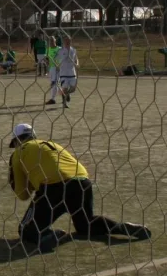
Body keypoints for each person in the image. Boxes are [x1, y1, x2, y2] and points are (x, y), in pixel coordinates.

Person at [8, 123, 151, 253]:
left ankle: (48, 235)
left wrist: (32, 184)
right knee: (85, 225)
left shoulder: (18, 153)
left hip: (54, 187)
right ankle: (120, 227)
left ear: (16, 140)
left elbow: (22, 194)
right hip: (82, 181)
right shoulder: (51, 144)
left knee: (26, 230)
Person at [56, 36, 78, 108]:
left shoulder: (73, 50)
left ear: (70, 41)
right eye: (66, 40)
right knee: (64, 88)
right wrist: (56, 65)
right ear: (64, 42)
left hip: (72, 72)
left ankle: (67, 94)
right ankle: (64, 103)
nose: (67, 42)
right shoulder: (60, 51)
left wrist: (77, 64)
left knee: (73, 88)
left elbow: (76, 59)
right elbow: (54, 58)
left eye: (68, 40)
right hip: (63, 73)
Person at [45, 36, 61, 105]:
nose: (51, 42)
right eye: (50, 40)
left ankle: (52, 99)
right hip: (51, 68)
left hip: (57, 68)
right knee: (54, 84)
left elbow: (63, 58)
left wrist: (59, 65)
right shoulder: (48, 49)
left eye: (52, 40)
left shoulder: (59, 49)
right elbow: (47, 59)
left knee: (54, 83)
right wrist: (46, 62)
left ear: (55, 41)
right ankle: (65, 95)